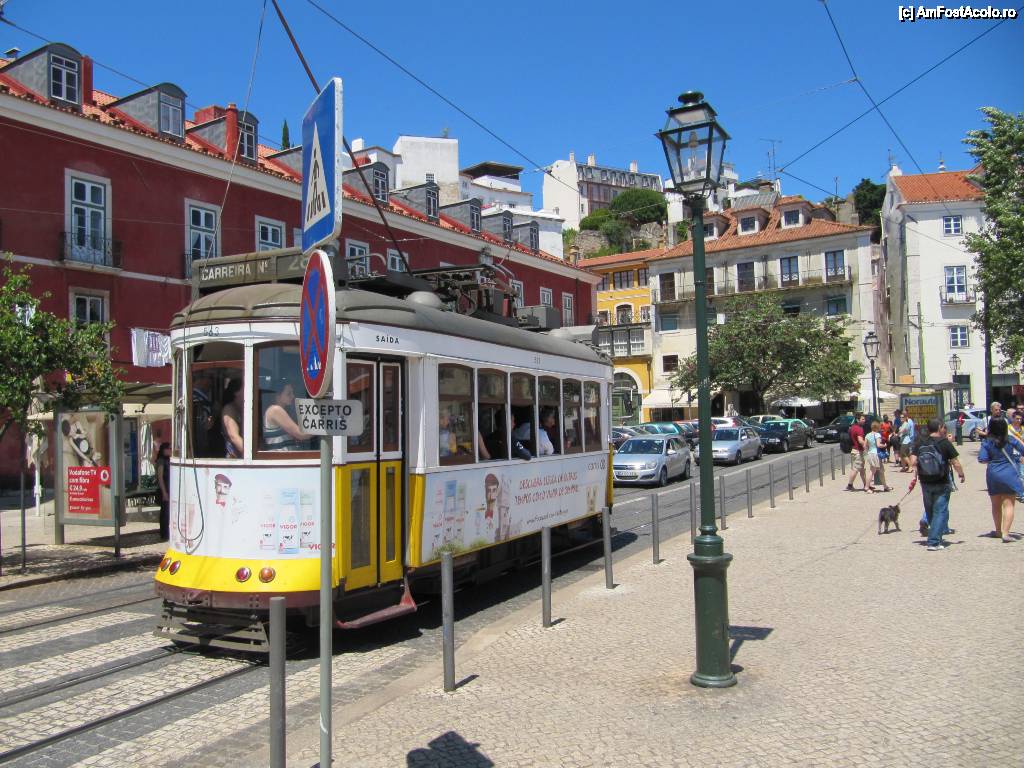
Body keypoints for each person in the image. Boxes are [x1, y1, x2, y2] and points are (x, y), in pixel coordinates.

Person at [910, 418, 965, 551]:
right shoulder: (944, 443)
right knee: (940, 511)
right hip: (941, 481)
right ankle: (934, 542)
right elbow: (955, 462)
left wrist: (918, 471)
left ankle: (936, 537)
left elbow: (913, 461)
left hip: (925, 481)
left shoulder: (921, 442)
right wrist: (961, 474)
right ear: (940, 427)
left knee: (930, 511)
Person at [978, 417, 1024, 542]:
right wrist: (1017, 458)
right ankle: (1006, 533)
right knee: (1009, 505)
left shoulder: (987, 442)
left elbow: (982, 459)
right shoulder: (1010, 439)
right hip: (1009, 473)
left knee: (995, 505)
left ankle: (998, 531)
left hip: (993, 474)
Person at [262, 381, 309, 451]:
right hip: (279, 456)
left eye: (292, 393)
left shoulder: (278, 410)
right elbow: (301, 434)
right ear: (278, 396)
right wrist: (321, 428)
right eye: (289, 394)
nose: (293, 396)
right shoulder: (275, 410)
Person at [845, 413, 871, 492]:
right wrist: (867, 446)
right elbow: (860, 441)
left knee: (862, 469)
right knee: (855, 469)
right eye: (862, 419)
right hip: (857, 451)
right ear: (857, 420)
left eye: (864, 419)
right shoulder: (859, 429)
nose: (864, 420)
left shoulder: (852, 427)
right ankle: (849, 485)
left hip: (854, 450)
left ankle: (866, 485)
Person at [864, 420, 892, 492]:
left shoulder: (867, 435)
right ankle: (867, 487)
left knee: (880, 470)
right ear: (877, 427)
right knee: (873, 471)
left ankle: (885, 486)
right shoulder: (877, 435)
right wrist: (884, 445)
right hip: (876, 454)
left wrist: (867, 452)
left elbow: (865, 446)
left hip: (870, 453)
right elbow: (878, 445)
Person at [220, 380, 244, 458]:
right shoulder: (229, 409)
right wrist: (253, 456)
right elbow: (234, 437)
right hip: (234, 459)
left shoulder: (243, 409)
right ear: (236, 392)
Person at [155, 442, 171, 541]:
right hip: (164, 489)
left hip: (168, 488)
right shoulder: (161, 461)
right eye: (169, 448)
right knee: (165, 512)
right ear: (164, 450)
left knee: (167, 512)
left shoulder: (168, 460)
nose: (170, 450)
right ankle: (164, 534)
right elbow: (160, 477)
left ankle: (166, 533)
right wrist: (164, 492)